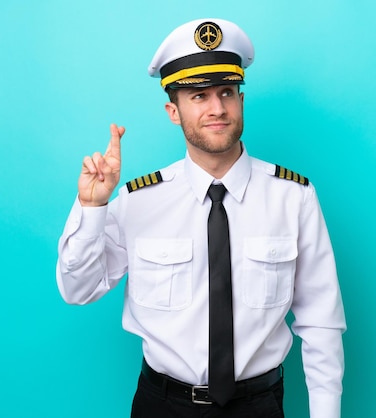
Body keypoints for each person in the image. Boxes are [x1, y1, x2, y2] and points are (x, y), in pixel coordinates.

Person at [56, 18, 346, 418]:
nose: (217, 108)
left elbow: (321, 321)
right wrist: (92, 209)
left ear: (241, 100)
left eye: (227, 92)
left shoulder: (293, 197)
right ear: (173, 111)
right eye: (199, 96)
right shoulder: (137, 200)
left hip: (258, 406)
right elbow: (78, 290)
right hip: (163, 405)